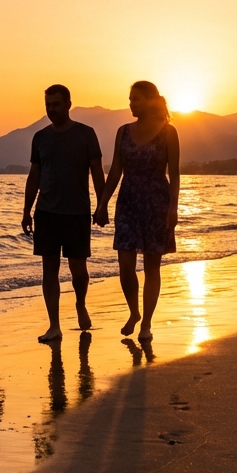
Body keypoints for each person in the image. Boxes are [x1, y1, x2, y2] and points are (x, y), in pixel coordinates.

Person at [94, 80, 180, 343]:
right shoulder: (123, 132)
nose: (131, 103)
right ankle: (134, 312)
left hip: (156, 203)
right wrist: (102, 204)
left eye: (136, 99)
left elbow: (175, 174)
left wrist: (173, 208)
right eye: (130, 99)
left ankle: (147, 324)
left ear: (151, 101)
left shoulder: (169, 132)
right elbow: (115, 171)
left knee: (152, 267)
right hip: (128, 202)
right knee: (125, 265)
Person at [21, 84, 106, 342]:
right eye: (47, 105)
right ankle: (54, 325)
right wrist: (26, 211)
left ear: (68, 104)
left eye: (56, 104)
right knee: (49, 270)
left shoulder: (86, 134)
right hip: (46, 213)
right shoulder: (40, 138)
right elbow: (34, 175)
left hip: (76, 213)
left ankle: (80, 303)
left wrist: (102, 205)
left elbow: (97, 172)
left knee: (78, 270)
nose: (51, 110)